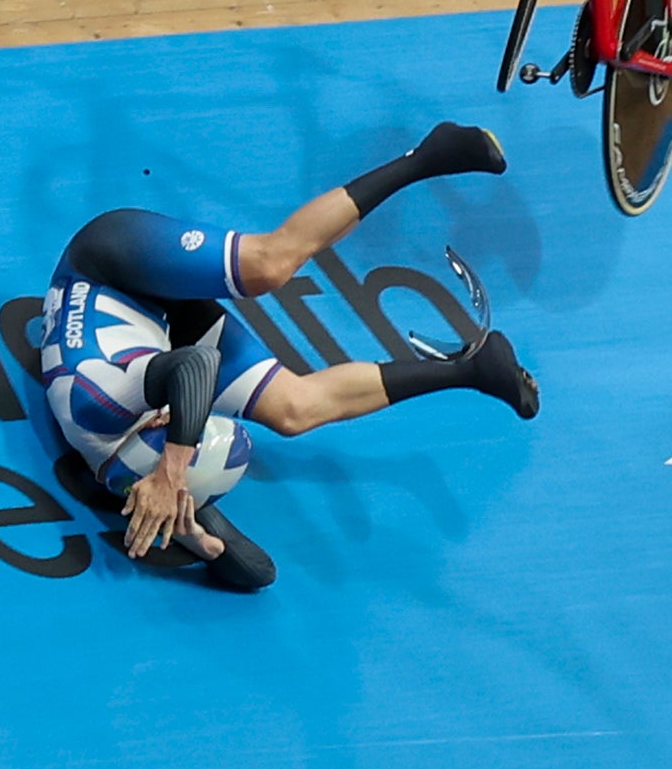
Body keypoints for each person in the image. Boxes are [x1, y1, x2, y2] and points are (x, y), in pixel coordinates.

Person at [40, 121, 539, 592]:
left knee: (270, 266)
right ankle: (472, 369)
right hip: (161, 331)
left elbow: (195, 367)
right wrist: (202, 540)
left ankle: (428, 155)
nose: (184, 424)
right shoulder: (141, 483)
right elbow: (256, 571)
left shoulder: (100, 406)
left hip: (108, 264)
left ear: (156, 434)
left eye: (179, 437)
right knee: (294, 411)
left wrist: (173, 468)